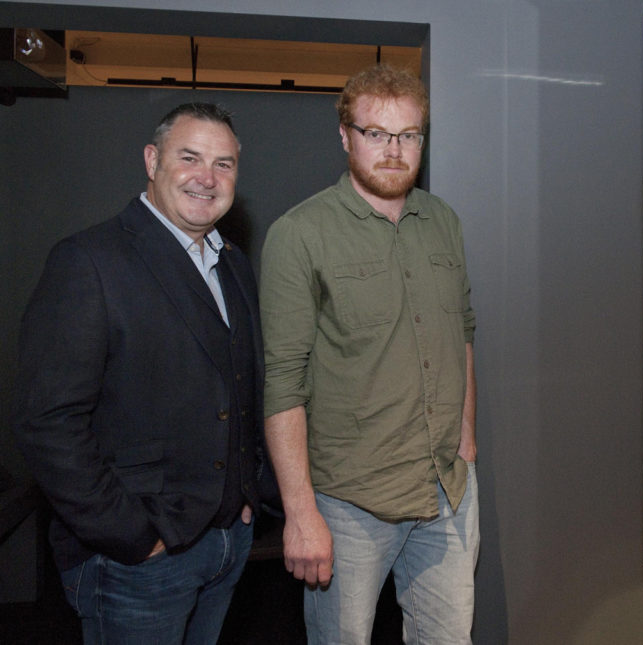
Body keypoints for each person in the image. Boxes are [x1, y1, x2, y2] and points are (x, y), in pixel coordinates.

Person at [11, 102, 267, 645]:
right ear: (152, 161)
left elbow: (241, 388)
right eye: (190, 157)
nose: (207, 177)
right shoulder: (89, 261)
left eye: (224, 164)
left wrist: (249, 494)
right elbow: (47, 422)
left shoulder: (234, 263)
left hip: (226, 545)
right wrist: (132, 536)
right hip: (137, 561)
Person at [261, 64, 479, 644]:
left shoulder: (444, 222)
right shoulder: (299, 233)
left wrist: (466, 440)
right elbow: (283, 381)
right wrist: (301, 514)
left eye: (408, 135)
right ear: (345, 136)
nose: (393, 150)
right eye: (376, 133)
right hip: (348, 502)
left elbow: (462, 331)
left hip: (447, 488)